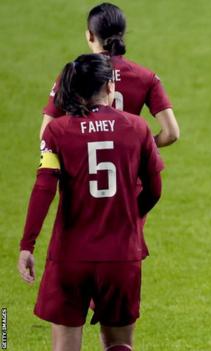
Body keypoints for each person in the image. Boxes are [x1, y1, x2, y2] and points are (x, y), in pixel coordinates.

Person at [17, 53, 163, 351]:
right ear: (110, 87)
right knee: (119, 345)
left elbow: (43, 189)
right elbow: (154, 189)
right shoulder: (137, 128)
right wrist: (129, 217)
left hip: (70, 256)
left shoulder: (56, 132)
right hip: (121, 255)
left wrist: (27, 245)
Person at [40, 2, 179, 147]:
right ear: (122, 35)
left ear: (90, 35)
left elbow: (46, 133)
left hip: (84, 166)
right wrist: (138, 148)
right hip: (127, 168)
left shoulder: (73, 73)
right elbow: (171, 133)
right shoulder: (146, 77)